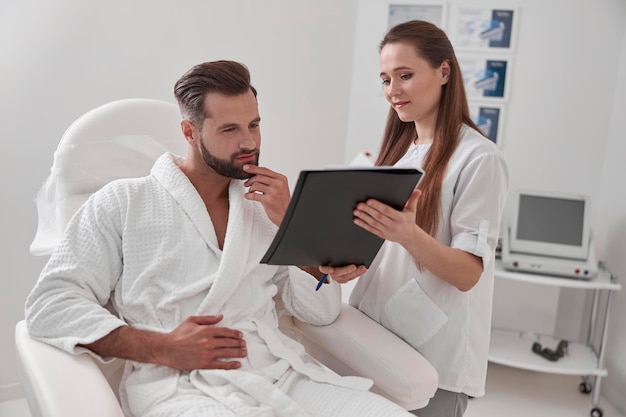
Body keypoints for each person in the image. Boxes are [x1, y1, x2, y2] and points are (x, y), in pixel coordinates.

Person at [25, 60, 414, 417]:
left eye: (254, 125)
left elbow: (321, 313)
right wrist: (163, 347)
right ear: (189, 132)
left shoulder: (267, 205)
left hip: (280, 376)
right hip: (178, 384)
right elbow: (51, 305)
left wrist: (291, 222)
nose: (249, 143)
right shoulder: (124, 201)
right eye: (229, 129)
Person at [320, 20, 510, 417]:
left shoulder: (479, 159)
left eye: (405, 75)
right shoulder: (399, 156)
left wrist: (407, 235)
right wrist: (347, 264)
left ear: (444, 72)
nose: (393, 91)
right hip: (373, 339)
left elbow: (468, 273)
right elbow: (385, 253)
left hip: (434, 356)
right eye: (386, 79)